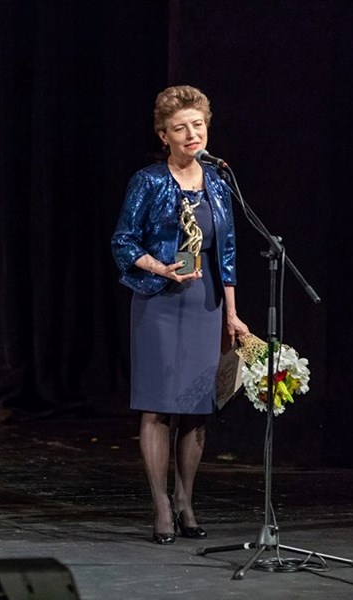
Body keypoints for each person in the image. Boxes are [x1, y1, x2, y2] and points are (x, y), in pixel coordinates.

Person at [111, 85, 249, 544]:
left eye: (198, 125)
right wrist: (159, 267)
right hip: (159, 302)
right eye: (180, 128)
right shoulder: (149, 180)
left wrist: (232, 314)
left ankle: (186, 500)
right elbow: (122, 242)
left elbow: (227, 253)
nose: (192, 134)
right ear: (163, 135)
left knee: (195, 408)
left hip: (205, 302)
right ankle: (160, 505)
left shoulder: (219, 182)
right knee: (158, 407)